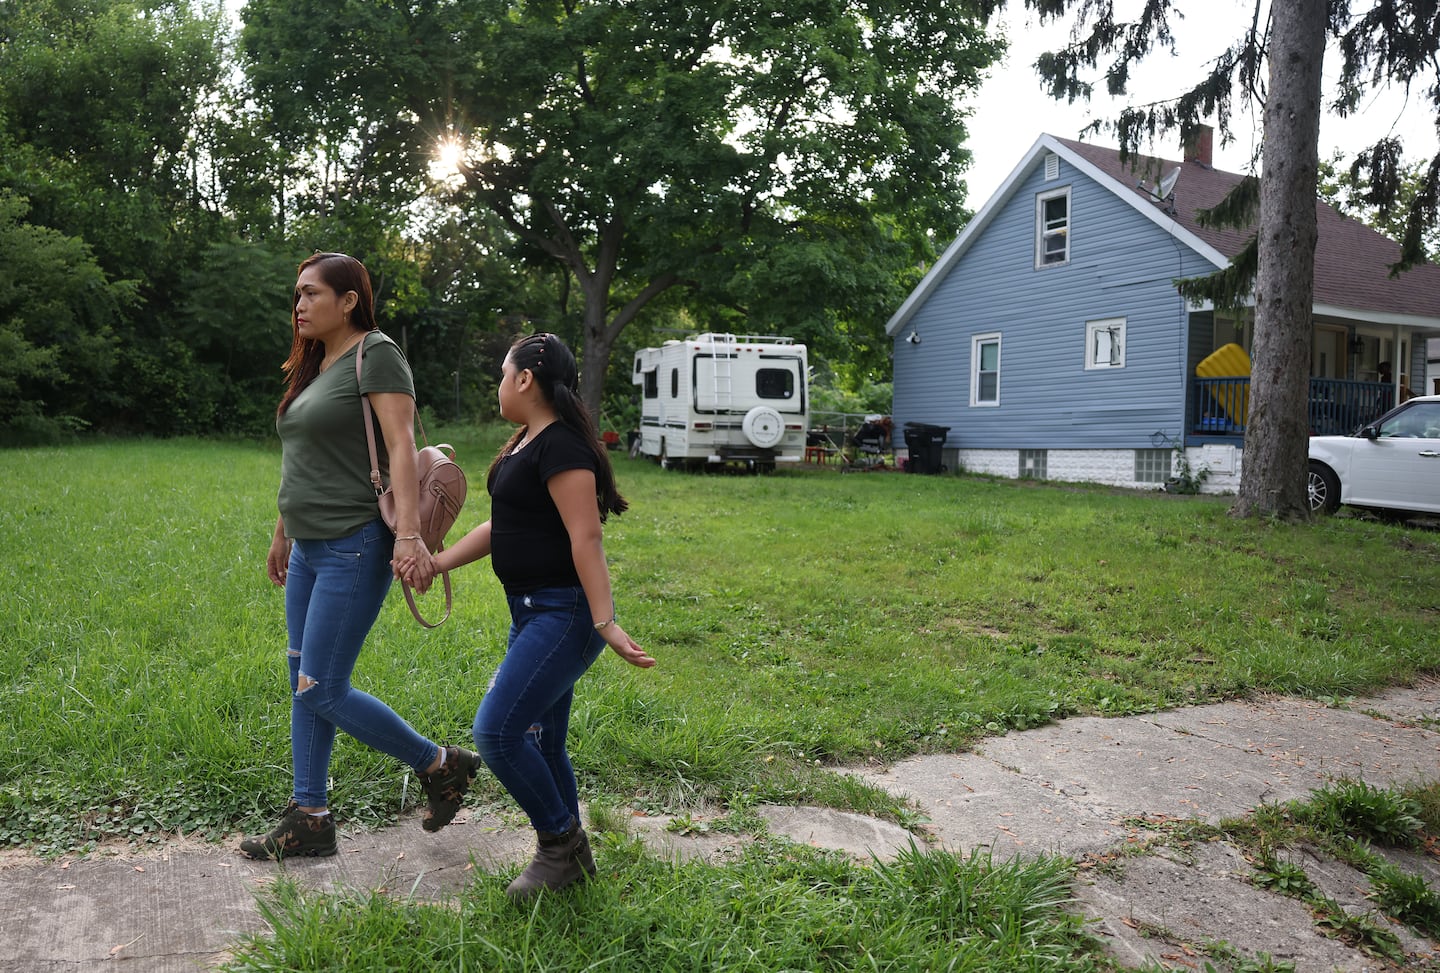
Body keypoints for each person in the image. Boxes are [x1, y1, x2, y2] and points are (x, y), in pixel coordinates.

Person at [241, 252, 480, 861]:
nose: (299, 304)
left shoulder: (375, 352)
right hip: (308, 545)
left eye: (312, 293)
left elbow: (401, 445)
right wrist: (282, 530)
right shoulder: (315, 367)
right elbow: (305, 459)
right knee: (303, 683)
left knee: (321, 685)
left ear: (348, 300)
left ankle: (439, 763)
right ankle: (310, 815)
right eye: (295, 294)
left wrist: (406, 535)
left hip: (355, 544)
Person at [401, 332, 656, 901]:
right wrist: (438, 562)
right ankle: (574, 858)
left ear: (525, 380)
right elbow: (503, 527)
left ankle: (559, 846)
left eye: (502, 372)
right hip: (532, 613)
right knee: (542, 741)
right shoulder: (524, 443)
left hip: (562, 615)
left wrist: (605, 622)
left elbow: (585, 535)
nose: (498, 384)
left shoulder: (561, 445)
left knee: (496, 732)